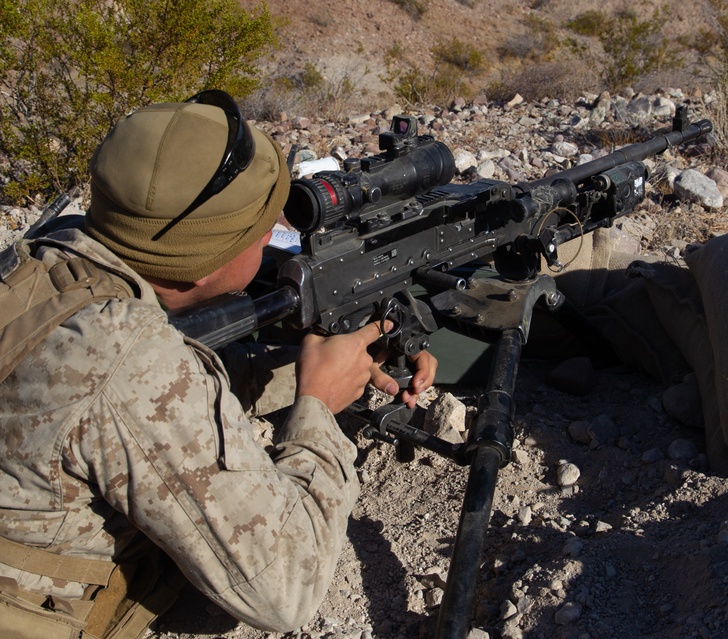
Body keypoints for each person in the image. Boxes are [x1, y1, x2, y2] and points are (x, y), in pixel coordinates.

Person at [0, 91, 437, 638]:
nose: (277, 239)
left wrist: (311, 365)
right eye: (263, 232)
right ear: (206, 264)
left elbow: (178, 385)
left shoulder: (52, 255)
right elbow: (285, 592)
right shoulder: (126, 359)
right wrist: (317, 410)